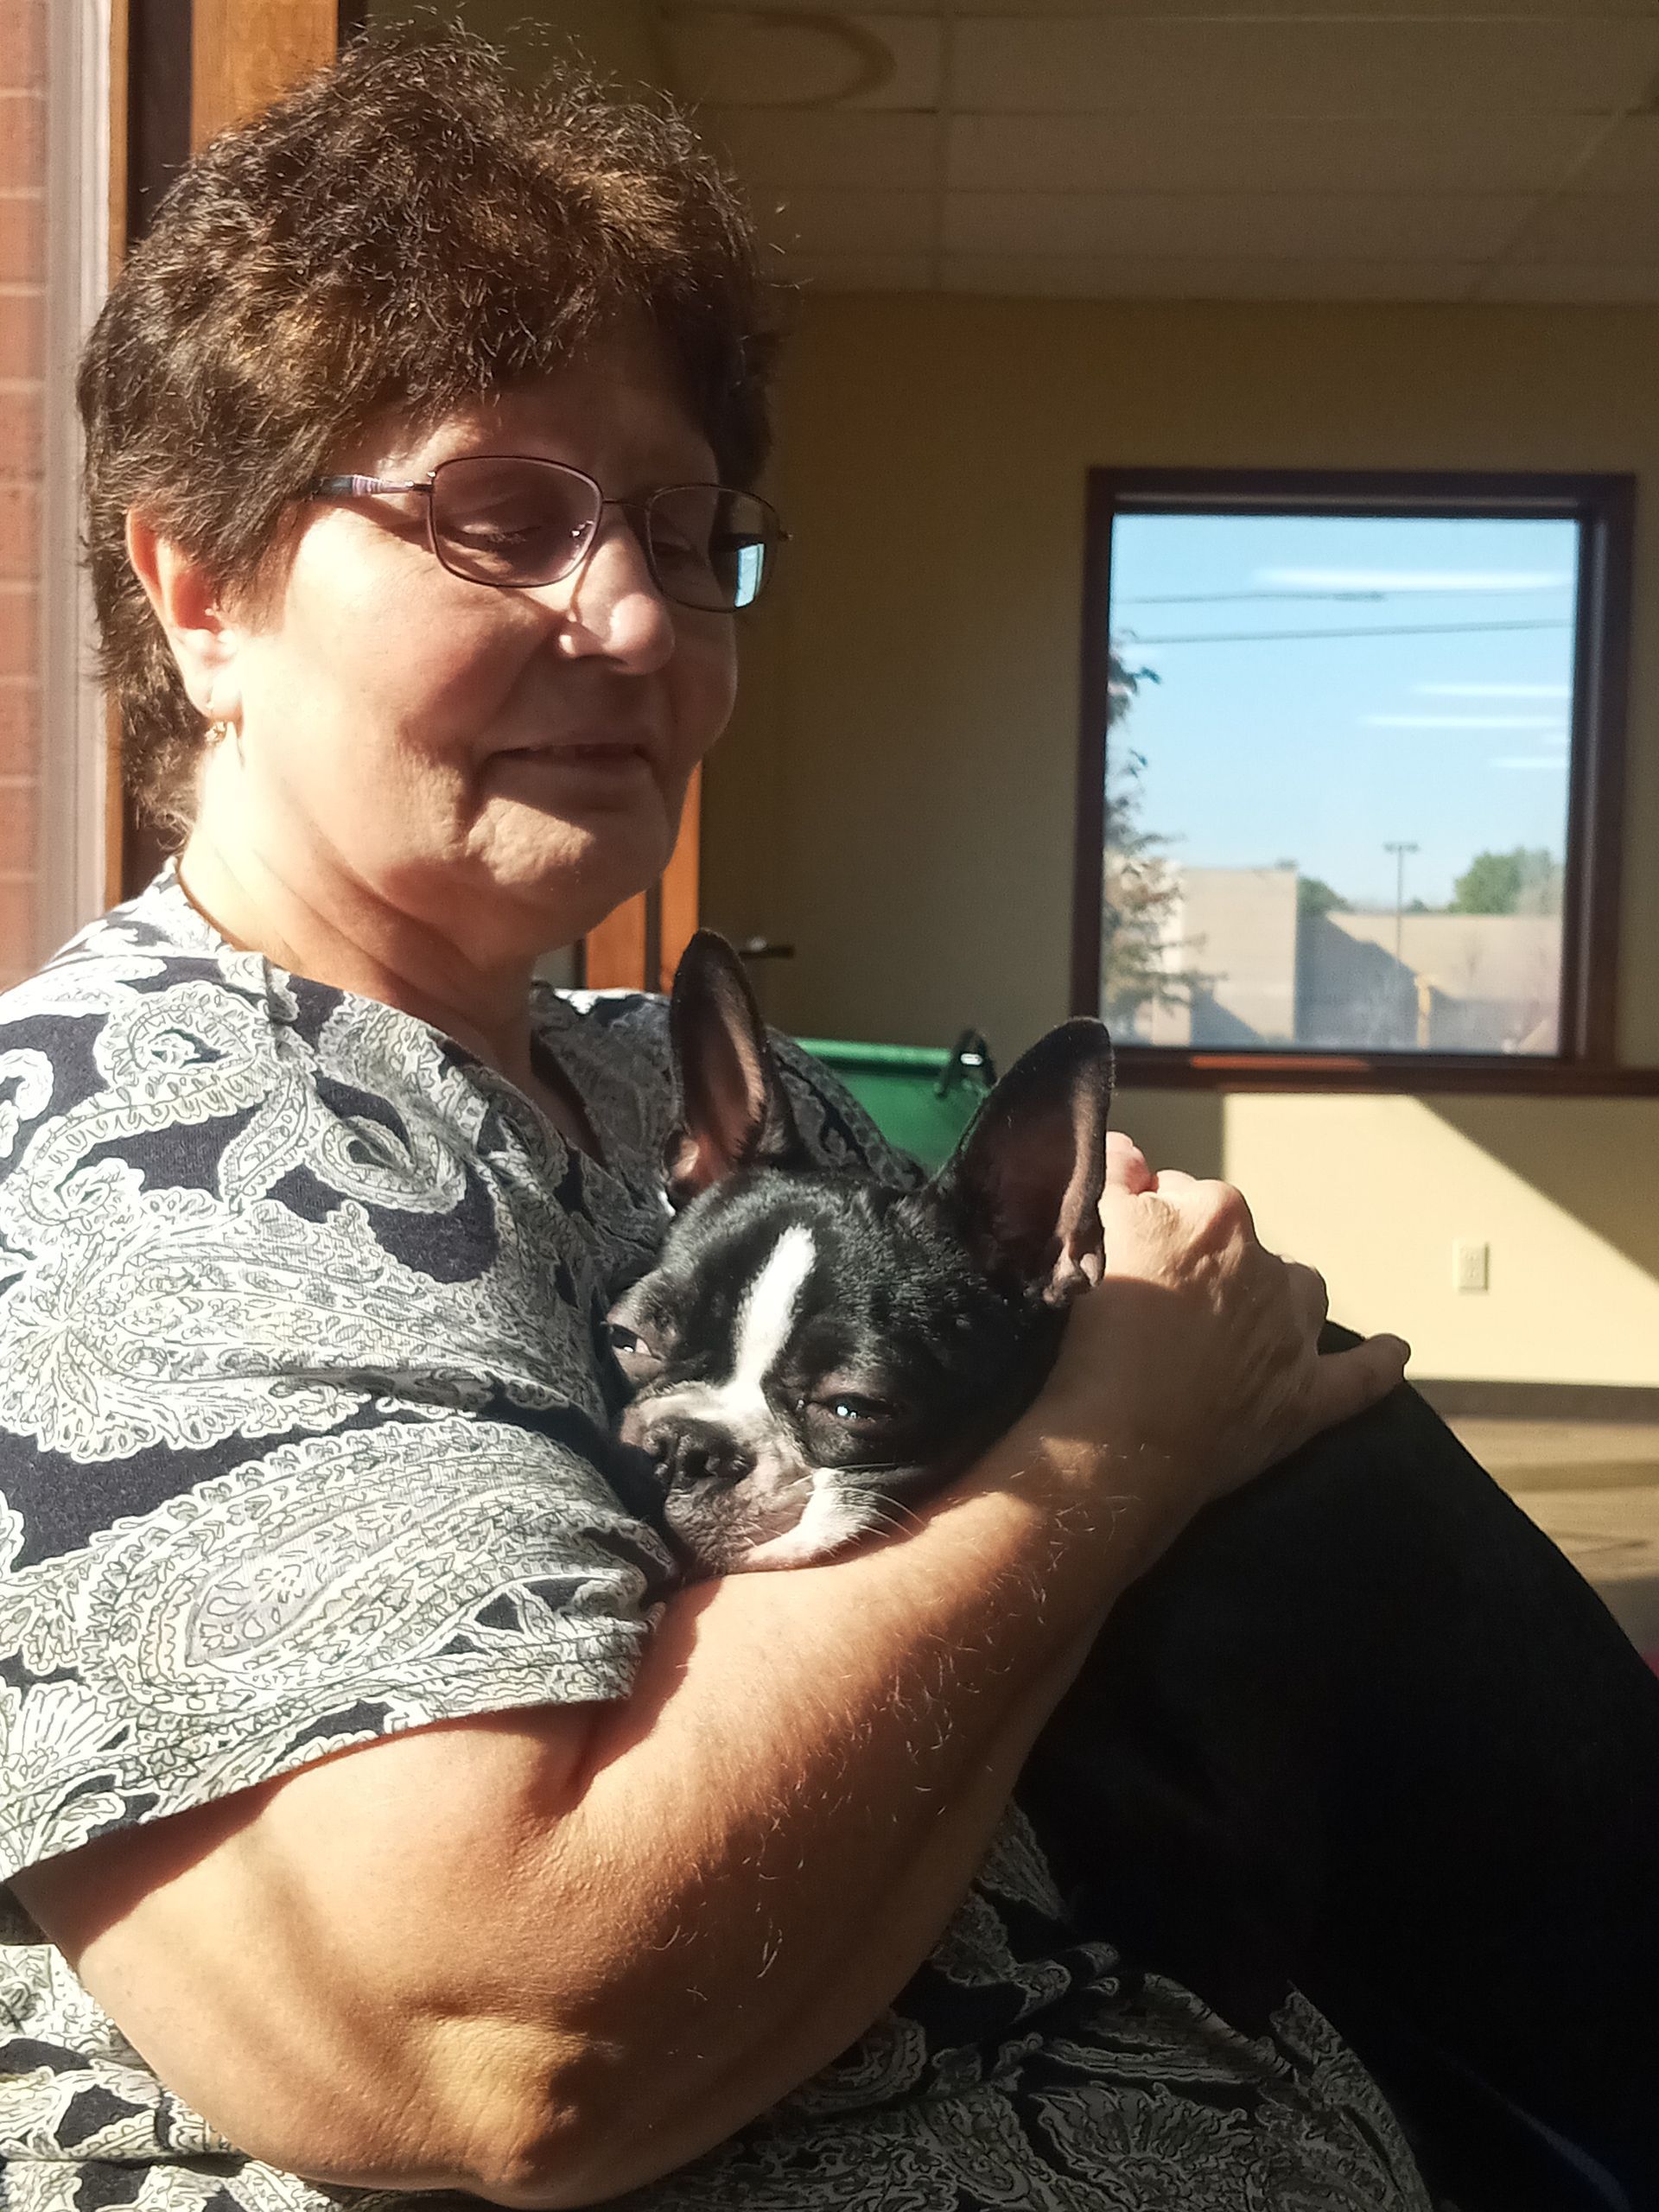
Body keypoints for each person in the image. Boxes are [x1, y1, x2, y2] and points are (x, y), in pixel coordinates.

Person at [0, 31, 1652, 2212]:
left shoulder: (608, 1062)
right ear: (201, 592)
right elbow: (511, 2037)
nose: (629, 619)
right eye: (499, 516)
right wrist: (1114, 1447)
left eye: (684, 537)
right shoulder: (157, 1149)